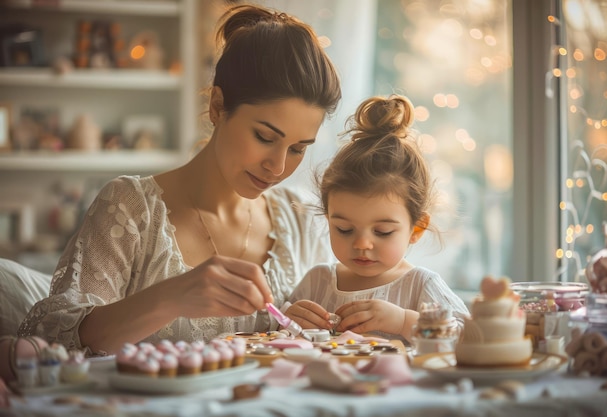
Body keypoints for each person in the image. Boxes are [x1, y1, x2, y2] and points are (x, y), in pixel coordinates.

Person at [17, 4, 341, 356]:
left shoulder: (297, 221)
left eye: (297, 148)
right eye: (265, 137)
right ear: (218, 106)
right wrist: (171, 298)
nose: (277, 166)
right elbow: (49, 347)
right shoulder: (129, 209)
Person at [285, 95, 469, 342]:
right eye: (344, 229)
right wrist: (289, 321)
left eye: (382, 232)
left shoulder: (420, 285)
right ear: (328, 219)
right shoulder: (316, 283)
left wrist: (404, 321)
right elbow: (278, 340)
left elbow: (469, 338)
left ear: (417, 228)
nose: (362, 244)